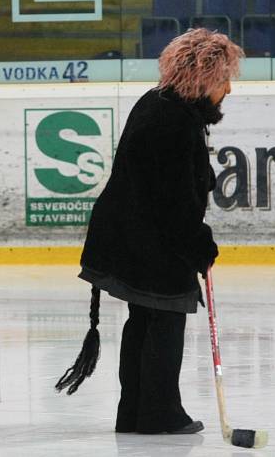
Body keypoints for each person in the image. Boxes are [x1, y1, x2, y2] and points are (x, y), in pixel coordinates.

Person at [56, 28, 243, 435]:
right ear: (204, 78)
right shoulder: (175, 119)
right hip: (147, 240)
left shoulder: (162, 105)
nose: (228, 88)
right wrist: (199, 244)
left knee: (144, 318)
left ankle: (135, 411)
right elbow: (172, 201)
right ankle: (159, 414)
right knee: (166, 316)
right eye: (223, 79)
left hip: (131, 235)